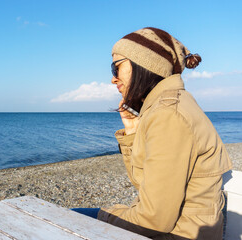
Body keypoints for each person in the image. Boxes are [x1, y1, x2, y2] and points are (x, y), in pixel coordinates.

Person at [74, 27, 233, 240]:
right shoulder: (165, 107)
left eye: (116, 68)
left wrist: (104, 216)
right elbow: (144, 183)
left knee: (66, 218)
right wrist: (131, 133)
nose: (113, 79)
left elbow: (154, 220)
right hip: (179, 229)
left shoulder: (168, 115)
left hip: (180, 235)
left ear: (144, 64)